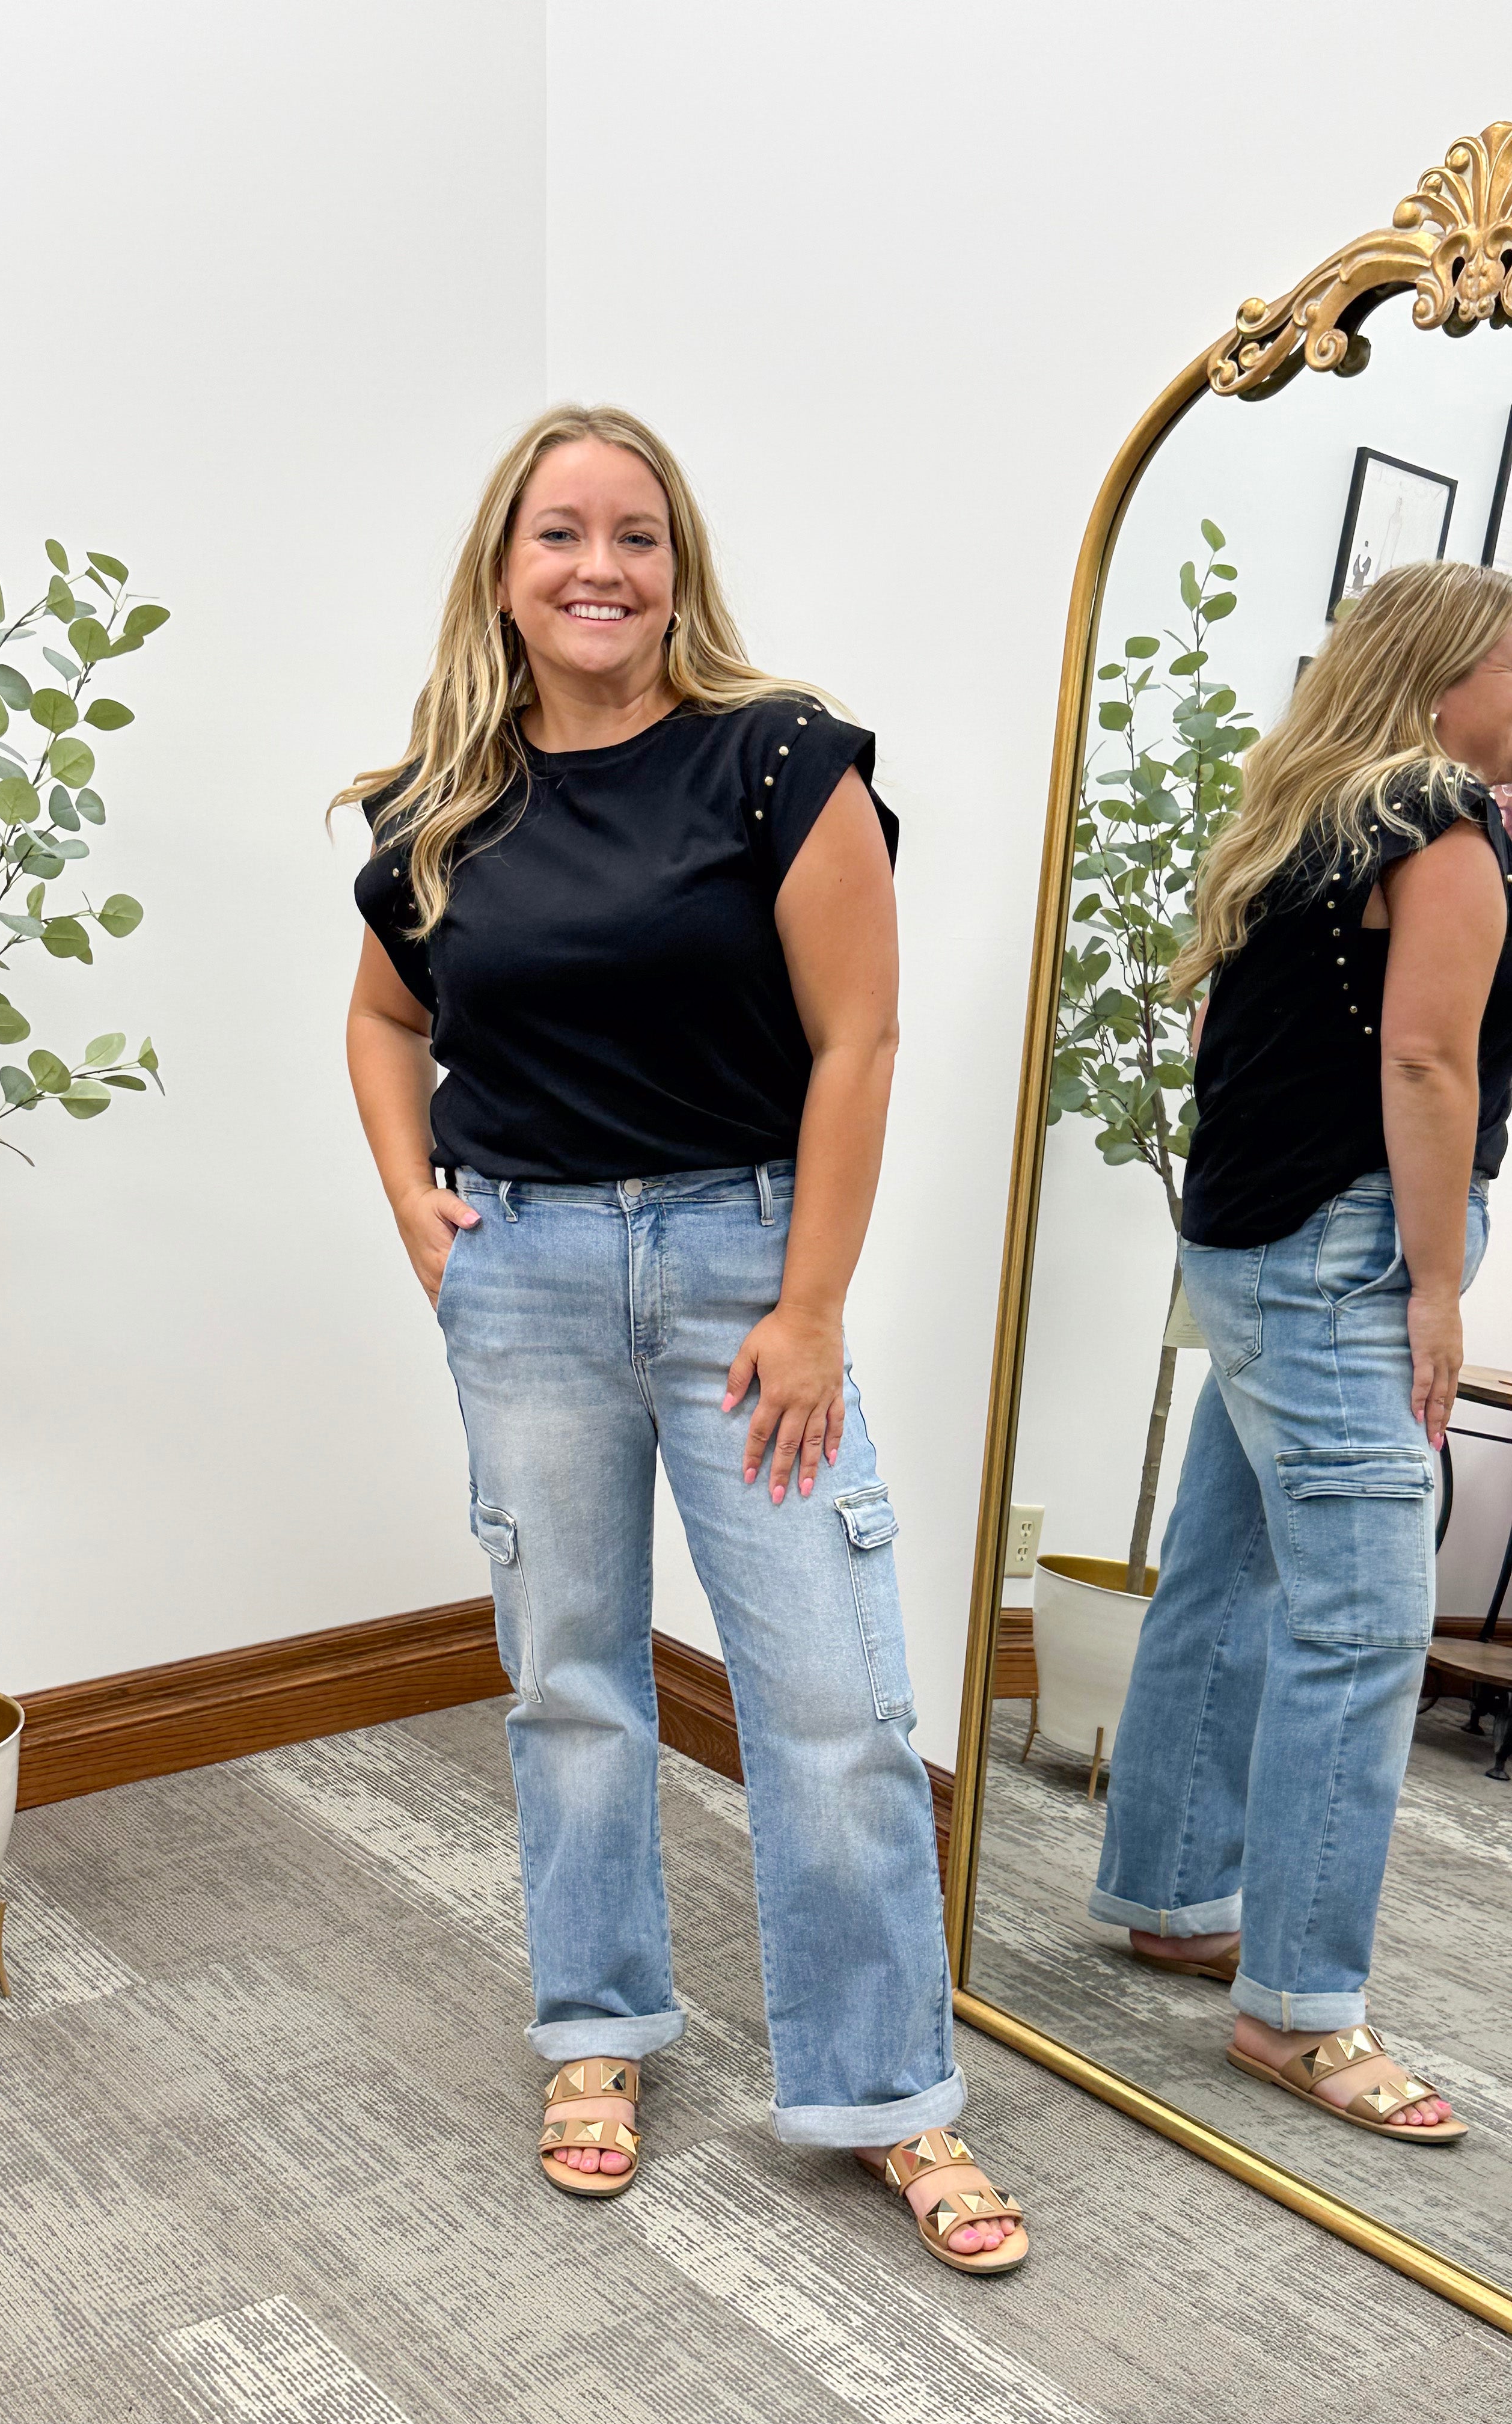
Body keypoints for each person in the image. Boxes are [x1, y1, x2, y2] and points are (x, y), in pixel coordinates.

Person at [339, 404, 1027, 2271]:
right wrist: (419, 1201)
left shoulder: (778, 761)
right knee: (570, 1681)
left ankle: (885, 2092)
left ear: (679, 566)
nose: (600, 568)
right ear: (505, 567)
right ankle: (599, 2034)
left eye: (636, 535)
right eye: (561, 534)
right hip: (529, 1282)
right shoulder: (441, 808)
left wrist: (810, 1307)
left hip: (742, 1275)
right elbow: (388, 1025)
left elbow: (857, 1043)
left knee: (832, 1700)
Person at [1091, 560, 1512, 2142]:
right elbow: (1425, 1056)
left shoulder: (1301, 815)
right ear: (1445, 675)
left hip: (1251, 1238)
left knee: (1228, 1571)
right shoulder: (1441, 825)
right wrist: (1434, 1288)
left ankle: (1174, 1893)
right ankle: (1301, 2011)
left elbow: (1220, 1045)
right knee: (1364, 1628)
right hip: (1346, 1255)